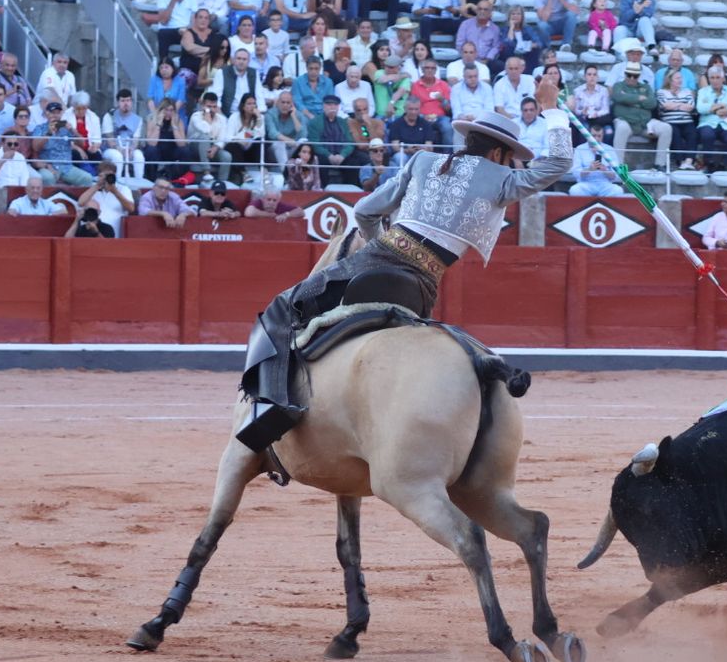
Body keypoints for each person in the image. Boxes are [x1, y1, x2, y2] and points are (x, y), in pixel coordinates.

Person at [236, 79, 572, 452]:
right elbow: (559, 162)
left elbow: (364, 210)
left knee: (280, 309)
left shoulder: (422, 160)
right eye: (509, 157)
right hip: (423, 284)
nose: (510, 163)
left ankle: (270, 409)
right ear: (498, 154)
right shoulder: (505, 180)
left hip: (375, 258)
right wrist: (551, 108)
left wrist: (381, 237)